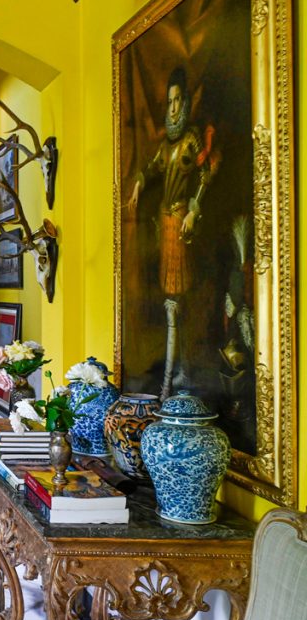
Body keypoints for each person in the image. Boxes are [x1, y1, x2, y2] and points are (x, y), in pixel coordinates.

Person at [125, 66, 219, 397]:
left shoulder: (192, 139)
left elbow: (207, 171)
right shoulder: (166, 146)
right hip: (164, 224)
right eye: (170, 102)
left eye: (178, 100)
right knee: (170, 298)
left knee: (179, 299)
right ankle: (174, 372)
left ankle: (177, 374)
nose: (174, 107)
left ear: (186, 101)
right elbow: (152, 167)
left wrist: (194, 210)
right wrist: (138, 182)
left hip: (180, 221)